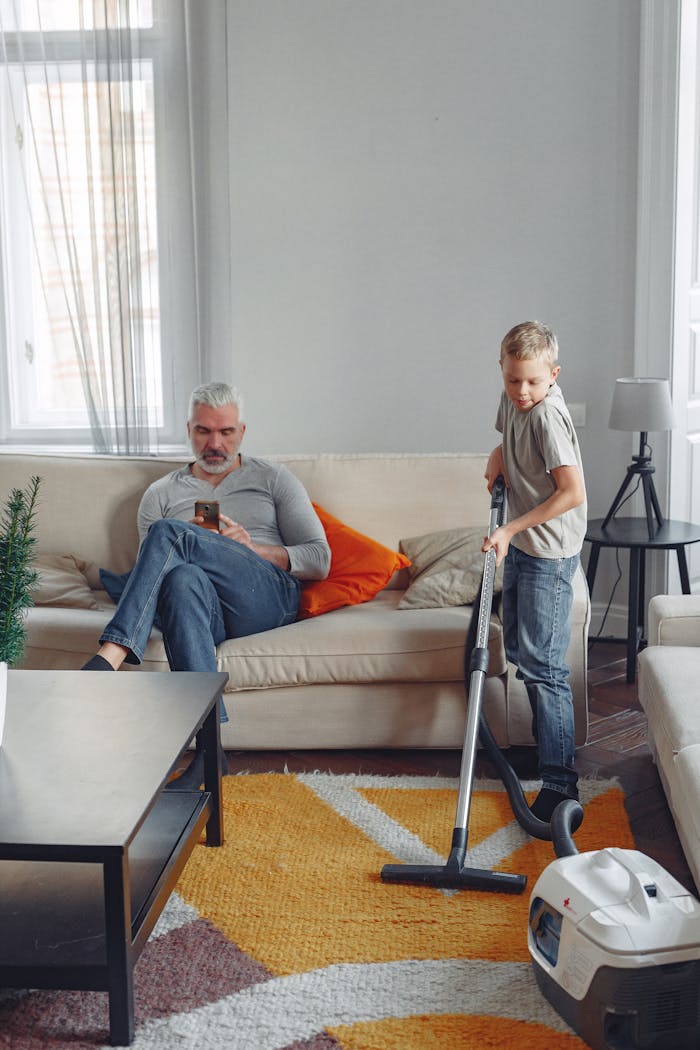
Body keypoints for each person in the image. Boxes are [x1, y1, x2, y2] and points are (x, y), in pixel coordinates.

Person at [82, 382, 331, 776]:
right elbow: (155, 579)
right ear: (189, 430)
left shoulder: (274, 479)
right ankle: (211, 753)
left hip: (262, 594)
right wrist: (198, 543)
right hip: (201, 607)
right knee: (181, 577)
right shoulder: (160, 493)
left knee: (170, 533)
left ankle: (109, 656)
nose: (215, 442)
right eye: (204, 431)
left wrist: (251, 550)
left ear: (242, 432)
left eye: (226, 431)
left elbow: (319, 559)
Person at [482, 321, 587, 822]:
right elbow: (507, 438)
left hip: (549, 552)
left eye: (532, 382)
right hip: (525, 543)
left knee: (544, 667)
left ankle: (561, 785)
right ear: (503, 372)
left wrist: (508, 529)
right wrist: (496, 458)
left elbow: (572, 493)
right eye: (513, 380)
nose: (522, 392)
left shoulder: (548, 416)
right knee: (523, 652)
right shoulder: (513, 400)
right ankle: (547, 749)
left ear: (553, 375)